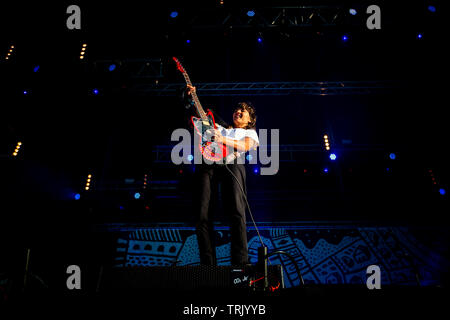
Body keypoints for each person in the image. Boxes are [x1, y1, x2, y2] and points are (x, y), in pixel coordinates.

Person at [182, 84, 259, 266]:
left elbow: (244, 146)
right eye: (237, 109)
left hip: (232, 164)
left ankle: (240, 261)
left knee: (237, 213)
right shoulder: (219, 126)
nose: (238, 111)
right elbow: (198, 116)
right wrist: (190, 97)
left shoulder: (248, 132)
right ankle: (208, 263)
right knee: (202, 214)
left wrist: (222, 138)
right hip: (208, 164)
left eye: (244, 110)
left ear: (250, 120)